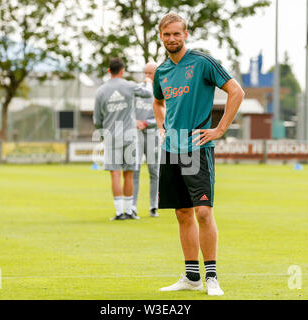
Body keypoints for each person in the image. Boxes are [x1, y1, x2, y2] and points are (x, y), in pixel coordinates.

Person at [152, 13, 244, 296]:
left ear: (185, 35)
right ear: (161, 37)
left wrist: (219, 129)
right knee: (182, 213)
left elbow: (236, 91)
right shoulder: (161, 72)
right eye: (166, 35)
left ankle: (211, 277)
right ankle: (191, 277)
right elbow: (157, 101)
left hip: (196, 149)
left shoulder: (202, 62)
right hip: (171, 149)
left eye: (176, 34)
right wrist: (161, 127)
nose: (171, 39)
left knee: (203, 212)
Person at [93, 58, 153, 221]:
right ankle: (129, 211)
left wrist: (103, 134)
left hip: (112, 136)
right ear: (122, 71)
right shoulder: (128, 85)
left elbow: (97, 119)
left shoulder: (101, 91)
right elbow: (148, 93)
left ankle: (119, 212)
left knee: (115, 174)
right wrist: (148, 81)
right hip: (129, 135)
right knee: (128, 174)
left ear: (108, 71)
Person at [132, 62, 160, 218]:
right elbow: (129, 109)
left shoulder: (161, 91)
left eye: (150, 73)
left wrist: (147, 123)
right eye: (146, 73)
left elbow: (164, 117)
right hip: (136, 134)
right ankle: (132, 206)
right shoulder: (138, 89)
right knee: (134, 169)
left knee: (154, 171)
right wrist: (134, 122)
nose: (147, 76)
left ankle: (153, 206)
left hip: (152, 134)